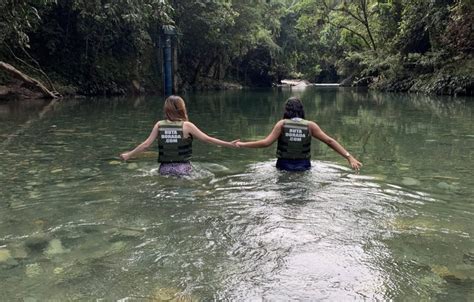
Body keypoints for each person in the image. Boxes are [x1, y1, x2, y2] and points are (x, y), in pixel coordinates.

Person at [120, 95, 238, 175]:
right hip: (183, 169)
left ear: (167, 109)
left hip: (163, 169)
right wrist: (229, 144)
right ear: (182, 109)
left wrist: (128, 155)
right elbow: (208, 139)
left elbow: (145, 145)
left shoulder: (159, 125)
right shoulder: (187, 126)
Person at [236, 97, 362, 172]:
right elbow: (330, 141)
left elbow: (265, 143)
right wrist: (349, 157)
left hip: (283, 166)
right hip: (303, 166)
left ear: (286, 110)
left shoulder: (282, 124)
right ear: (301, 110)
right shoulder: (310, 125)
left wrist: (242, 144)